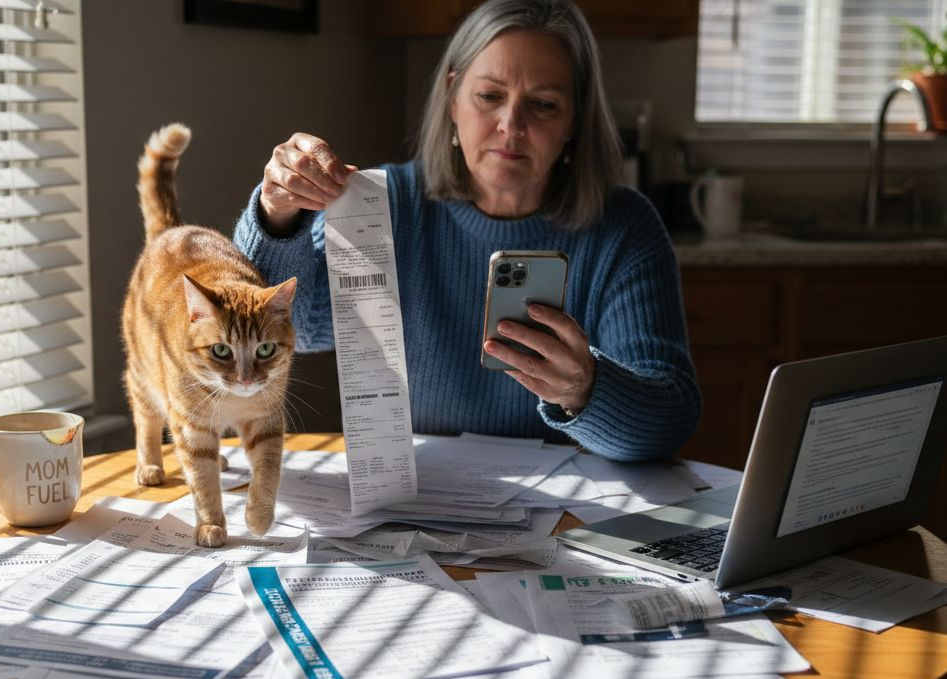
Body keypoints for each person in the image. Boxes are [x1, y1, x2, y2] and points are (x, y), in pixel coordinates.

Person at [233, 0, 699, 462]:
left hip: (570, 504)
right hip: (415, 488)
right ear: (454, 98)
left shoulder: (622, 226)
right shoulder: (389, 204)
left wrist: (585, 388)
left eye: (543, 104)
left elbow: (666, 424)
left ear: (574, 119)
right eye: (490, 96)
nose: (511, 125)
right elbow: (296, 328)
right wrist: (277, 213)